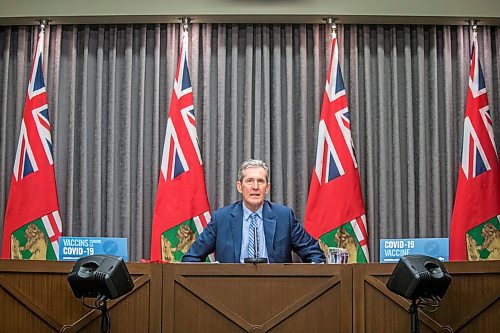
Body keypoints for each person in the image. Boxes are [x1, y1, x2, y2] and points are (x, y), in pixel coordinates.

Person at [182, 159, 325, 263]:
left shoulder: (284, 217)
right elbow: (191, 257)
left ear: (267, 187)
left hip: (277, 292)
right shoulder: (221, 218)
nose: (255, 187)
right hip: (230, 293)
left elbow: (314, 254)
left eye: (260, 181)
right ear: (239, 186)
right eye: (249, 181)